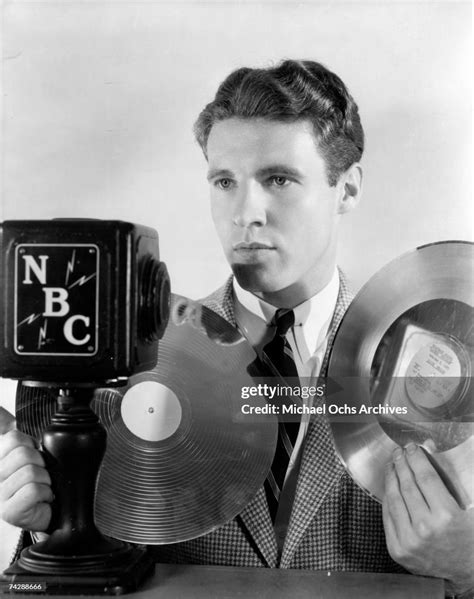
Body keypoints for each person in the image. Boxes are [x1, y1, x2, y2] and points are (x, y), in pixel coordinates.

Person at [0, 59, 473, 597]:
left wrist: (467, 569)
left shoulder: (444, 361)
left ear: (347, 188)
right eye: (225, 181)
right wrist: (44, 528)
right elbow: (75, 572)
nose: (246, 212)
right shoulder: (130, 363)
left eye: (278, 179)